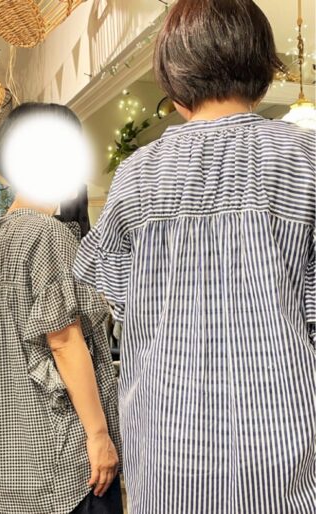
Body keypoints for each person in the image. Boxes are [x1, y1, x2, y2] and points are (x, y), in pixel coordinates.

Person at [73, 1, 316, 513]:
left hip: (168, 450)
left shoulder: (136, 175)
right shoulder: (304, 159)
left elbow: (121, 301)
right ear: (260, 66)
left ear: (174, 78)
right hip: (282, 449)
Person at [0, 103, 123, 514]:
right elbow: (64, 342)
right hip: (61, 461)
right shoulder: (47, 235)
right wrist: (98, 436)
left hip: (10, 457)